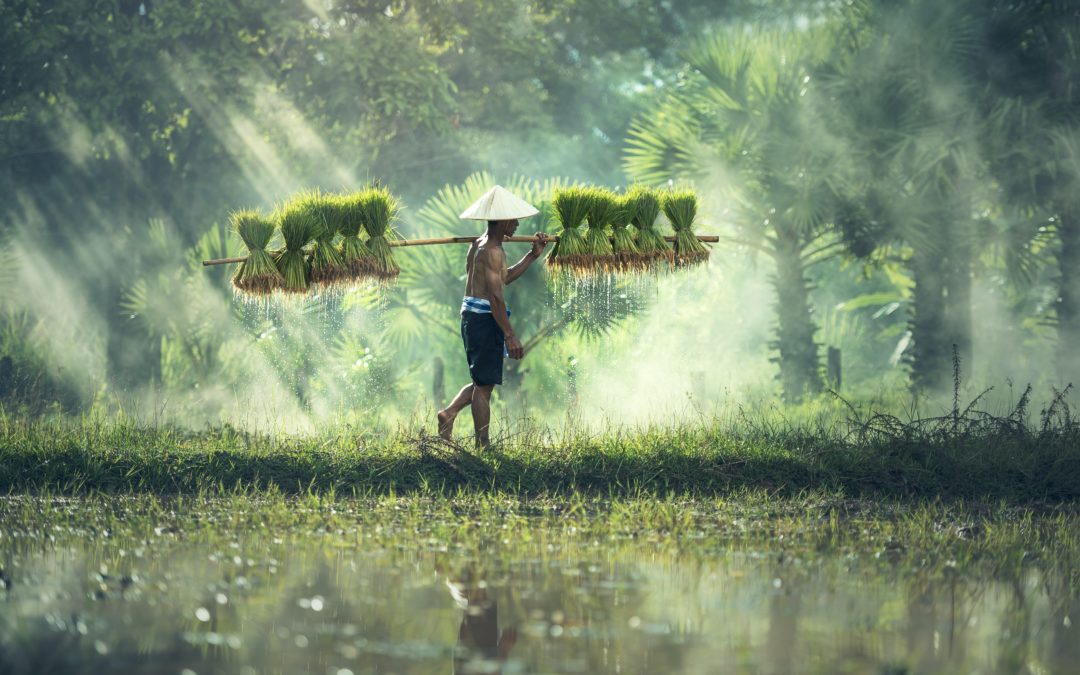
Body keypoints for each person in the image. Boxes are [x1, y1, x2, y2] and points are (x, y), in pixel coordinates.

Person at [437, 185, 548, 449]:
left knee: (481, 380)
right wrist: (510, 335)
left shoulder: (478, 245)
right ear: (502, 221)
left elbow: (503, 278)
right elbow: (496, 298)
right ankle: (482, 445)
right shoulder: (493, 252)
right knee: (485, 388)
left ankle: (448, 414)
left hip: (472, 315)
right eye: (514, 219)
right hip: (483, 319)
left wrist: (532, 256)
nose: (518, 224)